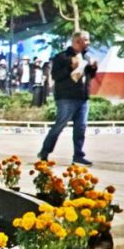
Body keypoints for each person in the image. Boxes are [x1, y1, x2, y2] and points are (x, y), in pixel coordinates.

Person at [39, 32, 98, 166]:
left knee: (81, 128)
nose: (88, 43)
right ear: (77, 41)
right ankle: (45, 151)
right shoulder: (62, 57)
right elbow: (55, 76)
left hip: (82, 97)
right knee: (59, 125)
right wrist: (70, 68)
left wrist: (93, 69)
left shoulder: (86, 57)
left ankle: (78, 155)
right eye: (86, 40)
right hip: (66, 97)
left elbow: (89, 76)